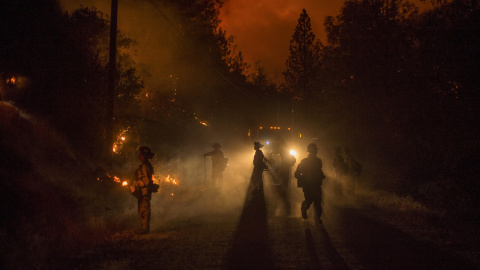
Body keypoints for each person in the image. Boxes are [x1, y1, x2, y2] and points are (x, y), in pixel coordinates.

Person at [294, 143, 326, 223]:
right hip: (314, 185)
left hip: (309, 185)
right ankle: (316, 218)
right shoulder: (318, 161)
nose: (316, 151)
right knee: (316, 201)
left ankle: (308, 211)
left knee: (311, 200)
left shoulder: (304, 161)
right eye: (315, 150)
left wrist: (303, 179)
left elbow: (297, 174)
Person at [130, 146, 154, 234]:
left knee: (144, 210)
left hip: (144, 192)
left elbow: (146, 181)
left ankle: (145, 229)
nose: (139, 156)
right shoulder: (145, 165)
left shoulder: (144, 166)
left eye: (141, 154)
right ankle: (144, 228)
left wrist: (136, 183)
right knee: (142, 210)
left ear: (144, 156)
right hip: (143, 192)